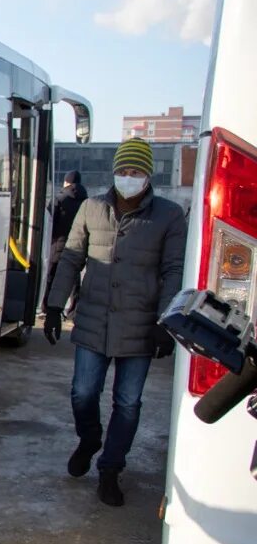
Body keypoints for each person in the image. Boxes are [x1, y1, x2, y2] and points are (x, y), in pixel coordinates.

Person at [43, 137, 185, 506]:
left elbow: (173, 270)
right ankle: (90, 438)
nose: (128, 177)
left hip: (141, 325)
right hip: (93, 319)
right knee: (83, 392)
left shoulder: (168, 215)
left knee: (128, 402)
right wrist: (55, 306)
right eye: (123, 170)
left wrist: (165, 322)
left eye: (135, 171)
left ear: (148, 175)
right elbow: (71, 258)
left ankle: (110, 468)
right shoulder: (91, 208)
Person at [46, 169, 88, 317]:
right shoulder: (86, 202)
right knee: (74, 277)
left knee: (52, 274)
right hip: (80, 245)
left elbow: (50, 221)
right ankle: (73, 311)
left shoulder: (59, 199)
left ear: (66, 182)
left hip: (58, 242)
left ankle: (47, 307)